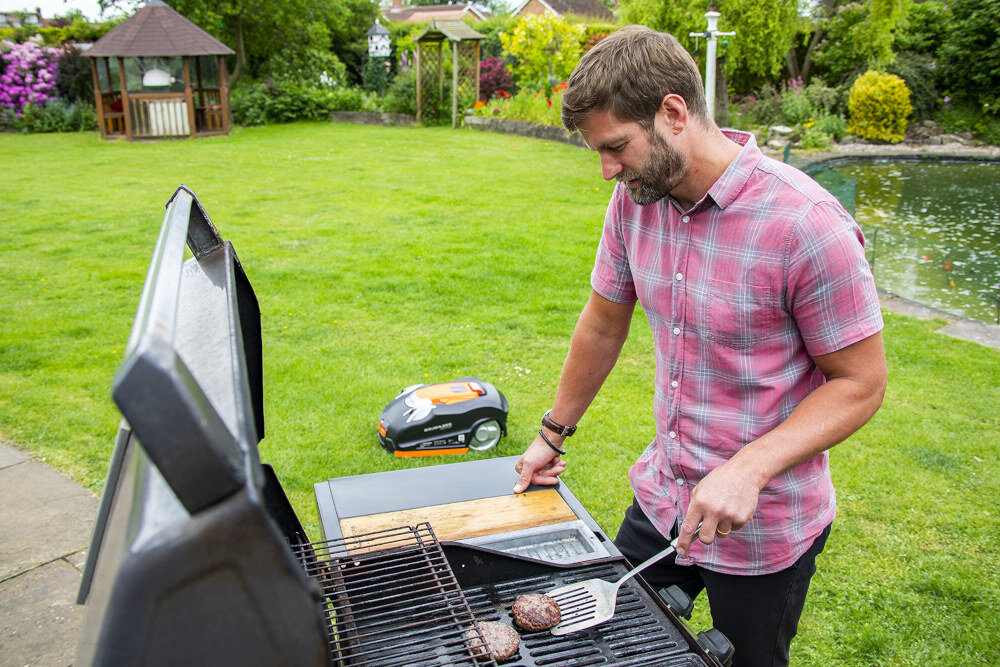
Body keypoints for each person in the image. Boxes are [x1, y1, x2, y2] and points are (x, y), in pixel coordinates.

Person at [512, 25, 887, 667]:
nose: (607, 172)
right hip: (663, 499)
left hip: (766, 524)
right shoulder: (637, 202)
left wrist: (749, 467)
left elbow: (860, 382)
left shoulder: (807, 224)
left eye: (616, 148)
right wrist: (553, 431)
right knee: (610, 649)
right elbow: (604, 322)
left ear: (674, 113)